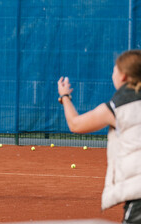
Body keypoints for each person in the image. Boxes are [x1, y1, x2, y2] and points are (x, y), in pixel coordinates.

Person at [57, 50, 141, 223]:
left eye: (114, 71)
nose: (113, 74)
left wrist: (64, 96)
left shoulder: (117, 106)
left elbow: (75, 124)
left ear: (123, 77)